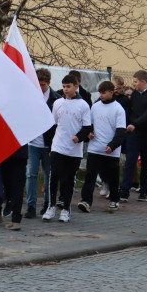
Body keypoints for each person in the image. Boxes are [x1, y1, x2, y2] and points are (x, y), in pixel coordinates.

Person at [44, 74, 92, 222]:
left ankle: (65, 209)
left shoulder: (83, 105)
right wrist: (50, 146)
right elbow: (53, 125)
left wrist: (79, 137)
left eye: (68, 86)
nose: (65, 89)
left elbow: (87, 127)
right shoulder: (58, 103)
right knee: (54, 176)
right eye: (64, 86)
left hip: (74, 150)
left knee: (69, 179)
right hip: (58, 145)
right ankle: (51, 206)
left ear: (76, 87)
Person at [78, 80, 127, 212]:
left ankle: (114, 199)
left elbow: (121, 131)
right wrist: (90, 133)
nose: (101, 95)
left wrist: (112, 145)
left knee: (112, 177)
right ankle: (86, 201)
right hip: (95, 148)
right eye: (100, 92)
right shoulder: (95, 106)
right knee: (90, 176)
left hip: (111, 151)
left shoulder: (118, 109)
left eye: (104, 92)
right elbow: (90, 125)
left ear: (111, 92)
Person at [119, 70, 147, 202]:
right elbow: (132, 111)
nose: (134, 84)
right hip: (134, 134)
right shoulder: (135, 94)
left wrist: (135, 123)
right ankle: (124, 190)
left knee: (146, 163)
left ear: (143, 81)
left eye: (136, 82)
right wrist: (131, 123)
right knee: (130, 161)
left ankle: (144, 191)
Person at [28, 68, 59, 218]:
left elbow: (57, 125)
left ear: (48, 83)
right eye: (38, 84)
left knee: (49, 176)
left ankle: (47, 204)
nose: (40, 88)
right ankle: (31, 206)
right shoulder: (31, 96)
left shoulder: (56, 100)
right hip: (33, 143)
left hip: (48, 145)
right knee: (31, 174)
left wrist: (53, 145)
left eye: (43, 85)